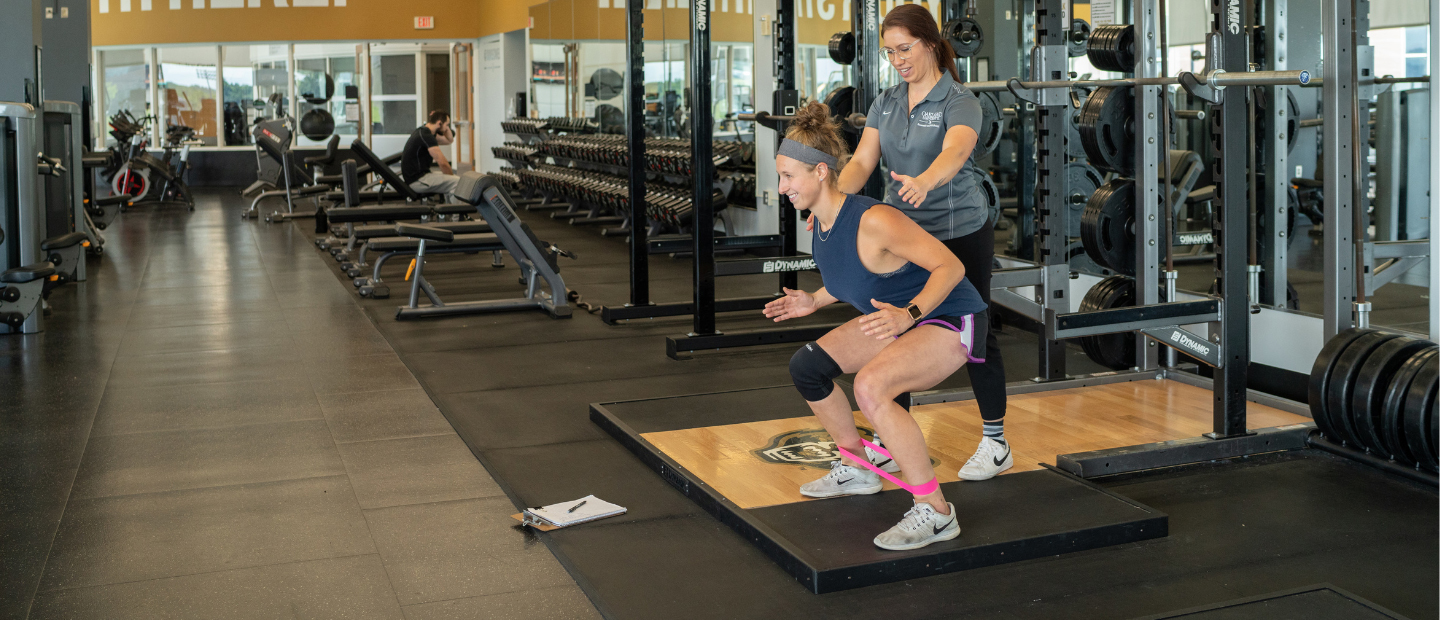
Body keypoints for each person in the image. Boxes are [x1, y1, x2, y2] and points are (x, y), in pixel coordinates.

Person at [765, 102, 988, 551]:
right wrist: (816, 299)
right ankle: (860, 466)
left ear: (822, 173)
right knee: (807, 368)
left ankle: (937, 511)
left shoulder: (875, 219)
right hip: (899, 317)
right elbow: (855, 275)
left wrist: (908, 316)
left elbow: (951, 266)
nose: (782, 186)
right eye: (781, 176)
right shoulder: (821, 222)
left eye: (789, 176)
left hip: (951, 316)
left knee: (871, 388)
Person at [835, 4, 1012, 481]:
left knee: (975, 333)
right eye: (890, 52)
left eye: (905, 49)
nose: (897, 59)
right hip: (905, 236)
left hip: (961, 232)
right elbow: (861, 162)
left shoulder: (960, 100)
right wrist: (830, 199)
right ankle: (890, 442)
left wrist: (927, 180)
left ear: (930, 43)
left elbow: (956, 151)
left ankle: (996, 441)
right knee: (898, 331)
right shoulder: (886, 101)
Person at [401, 110, 459, 198]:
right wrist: (451, 177)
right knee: (457, 182)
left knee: (454, 179)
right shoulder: (426, 136)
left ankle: (450, 210)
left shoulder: (424, 132)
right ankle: (456, 210)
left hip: (420, 177)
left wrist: (445, 127)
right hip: (418, 181)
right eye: (447, 125)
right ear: (439, 123)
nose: (448, 128)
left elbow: (449, 140)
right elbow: (443, 164)